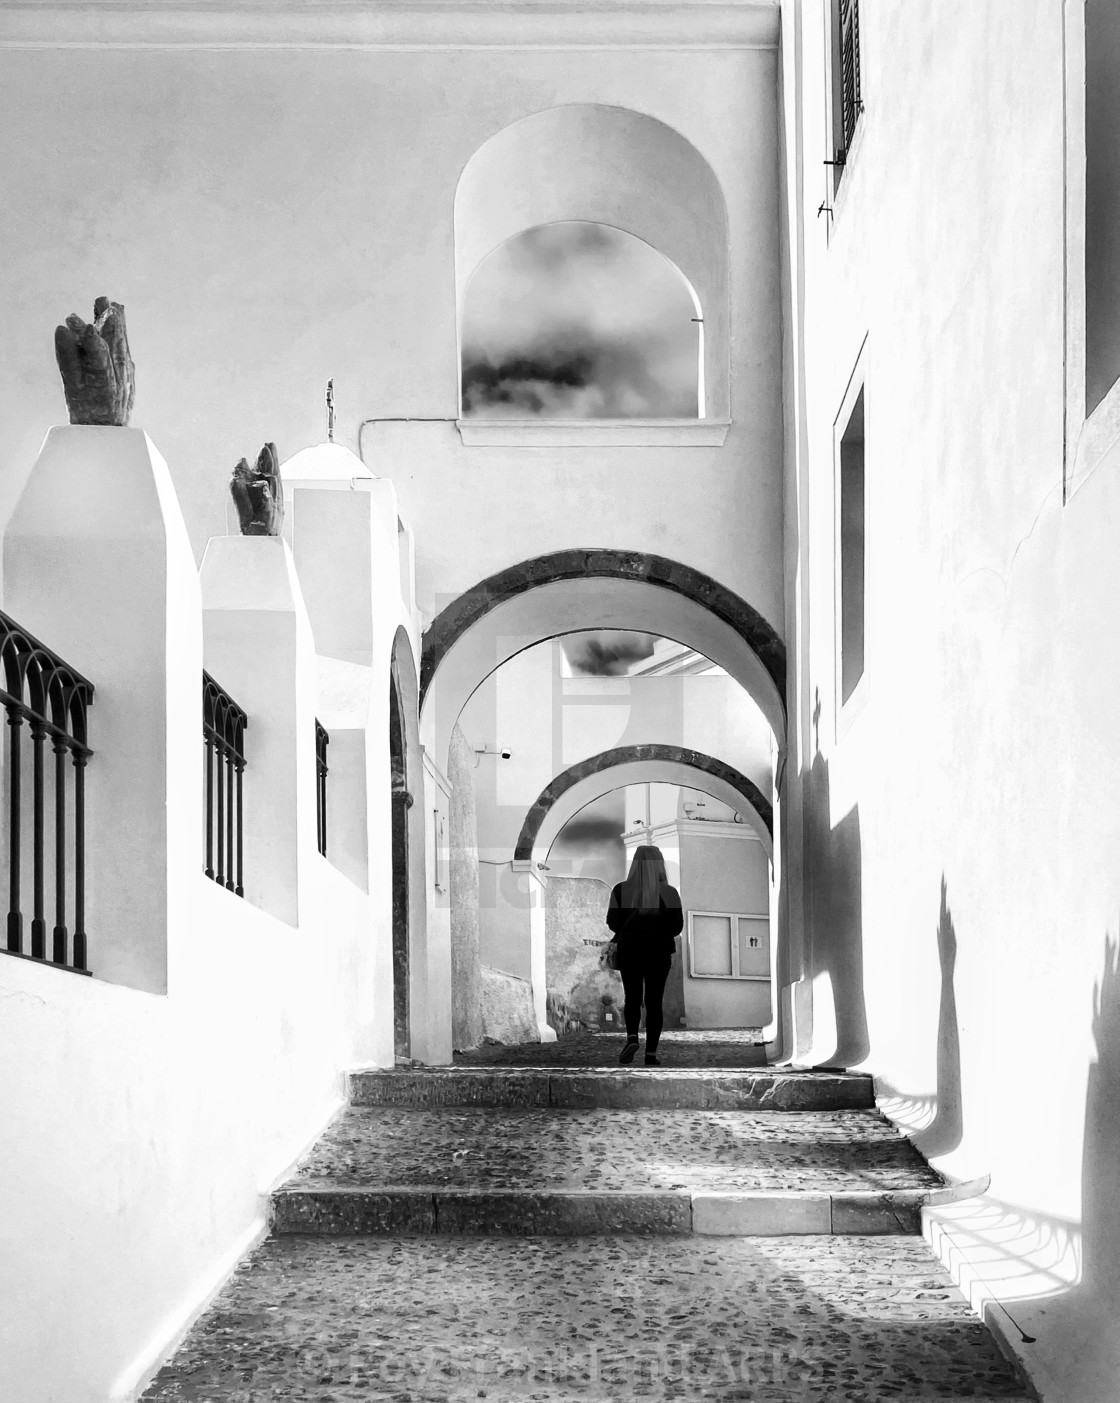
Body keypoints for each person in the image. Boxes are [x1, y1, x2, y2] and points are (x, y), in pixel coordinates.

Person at [605, 844, 683, 1065]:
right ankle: (651, 1055)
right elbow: (677, 927)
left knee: (633, 998)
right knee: (654, 1002)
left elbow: (613, 923)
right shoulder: (669, 892)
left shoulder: (620, 890)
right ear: (659, 864)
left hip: (630, 951)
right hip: (658, 953)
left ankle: (632, 1038)